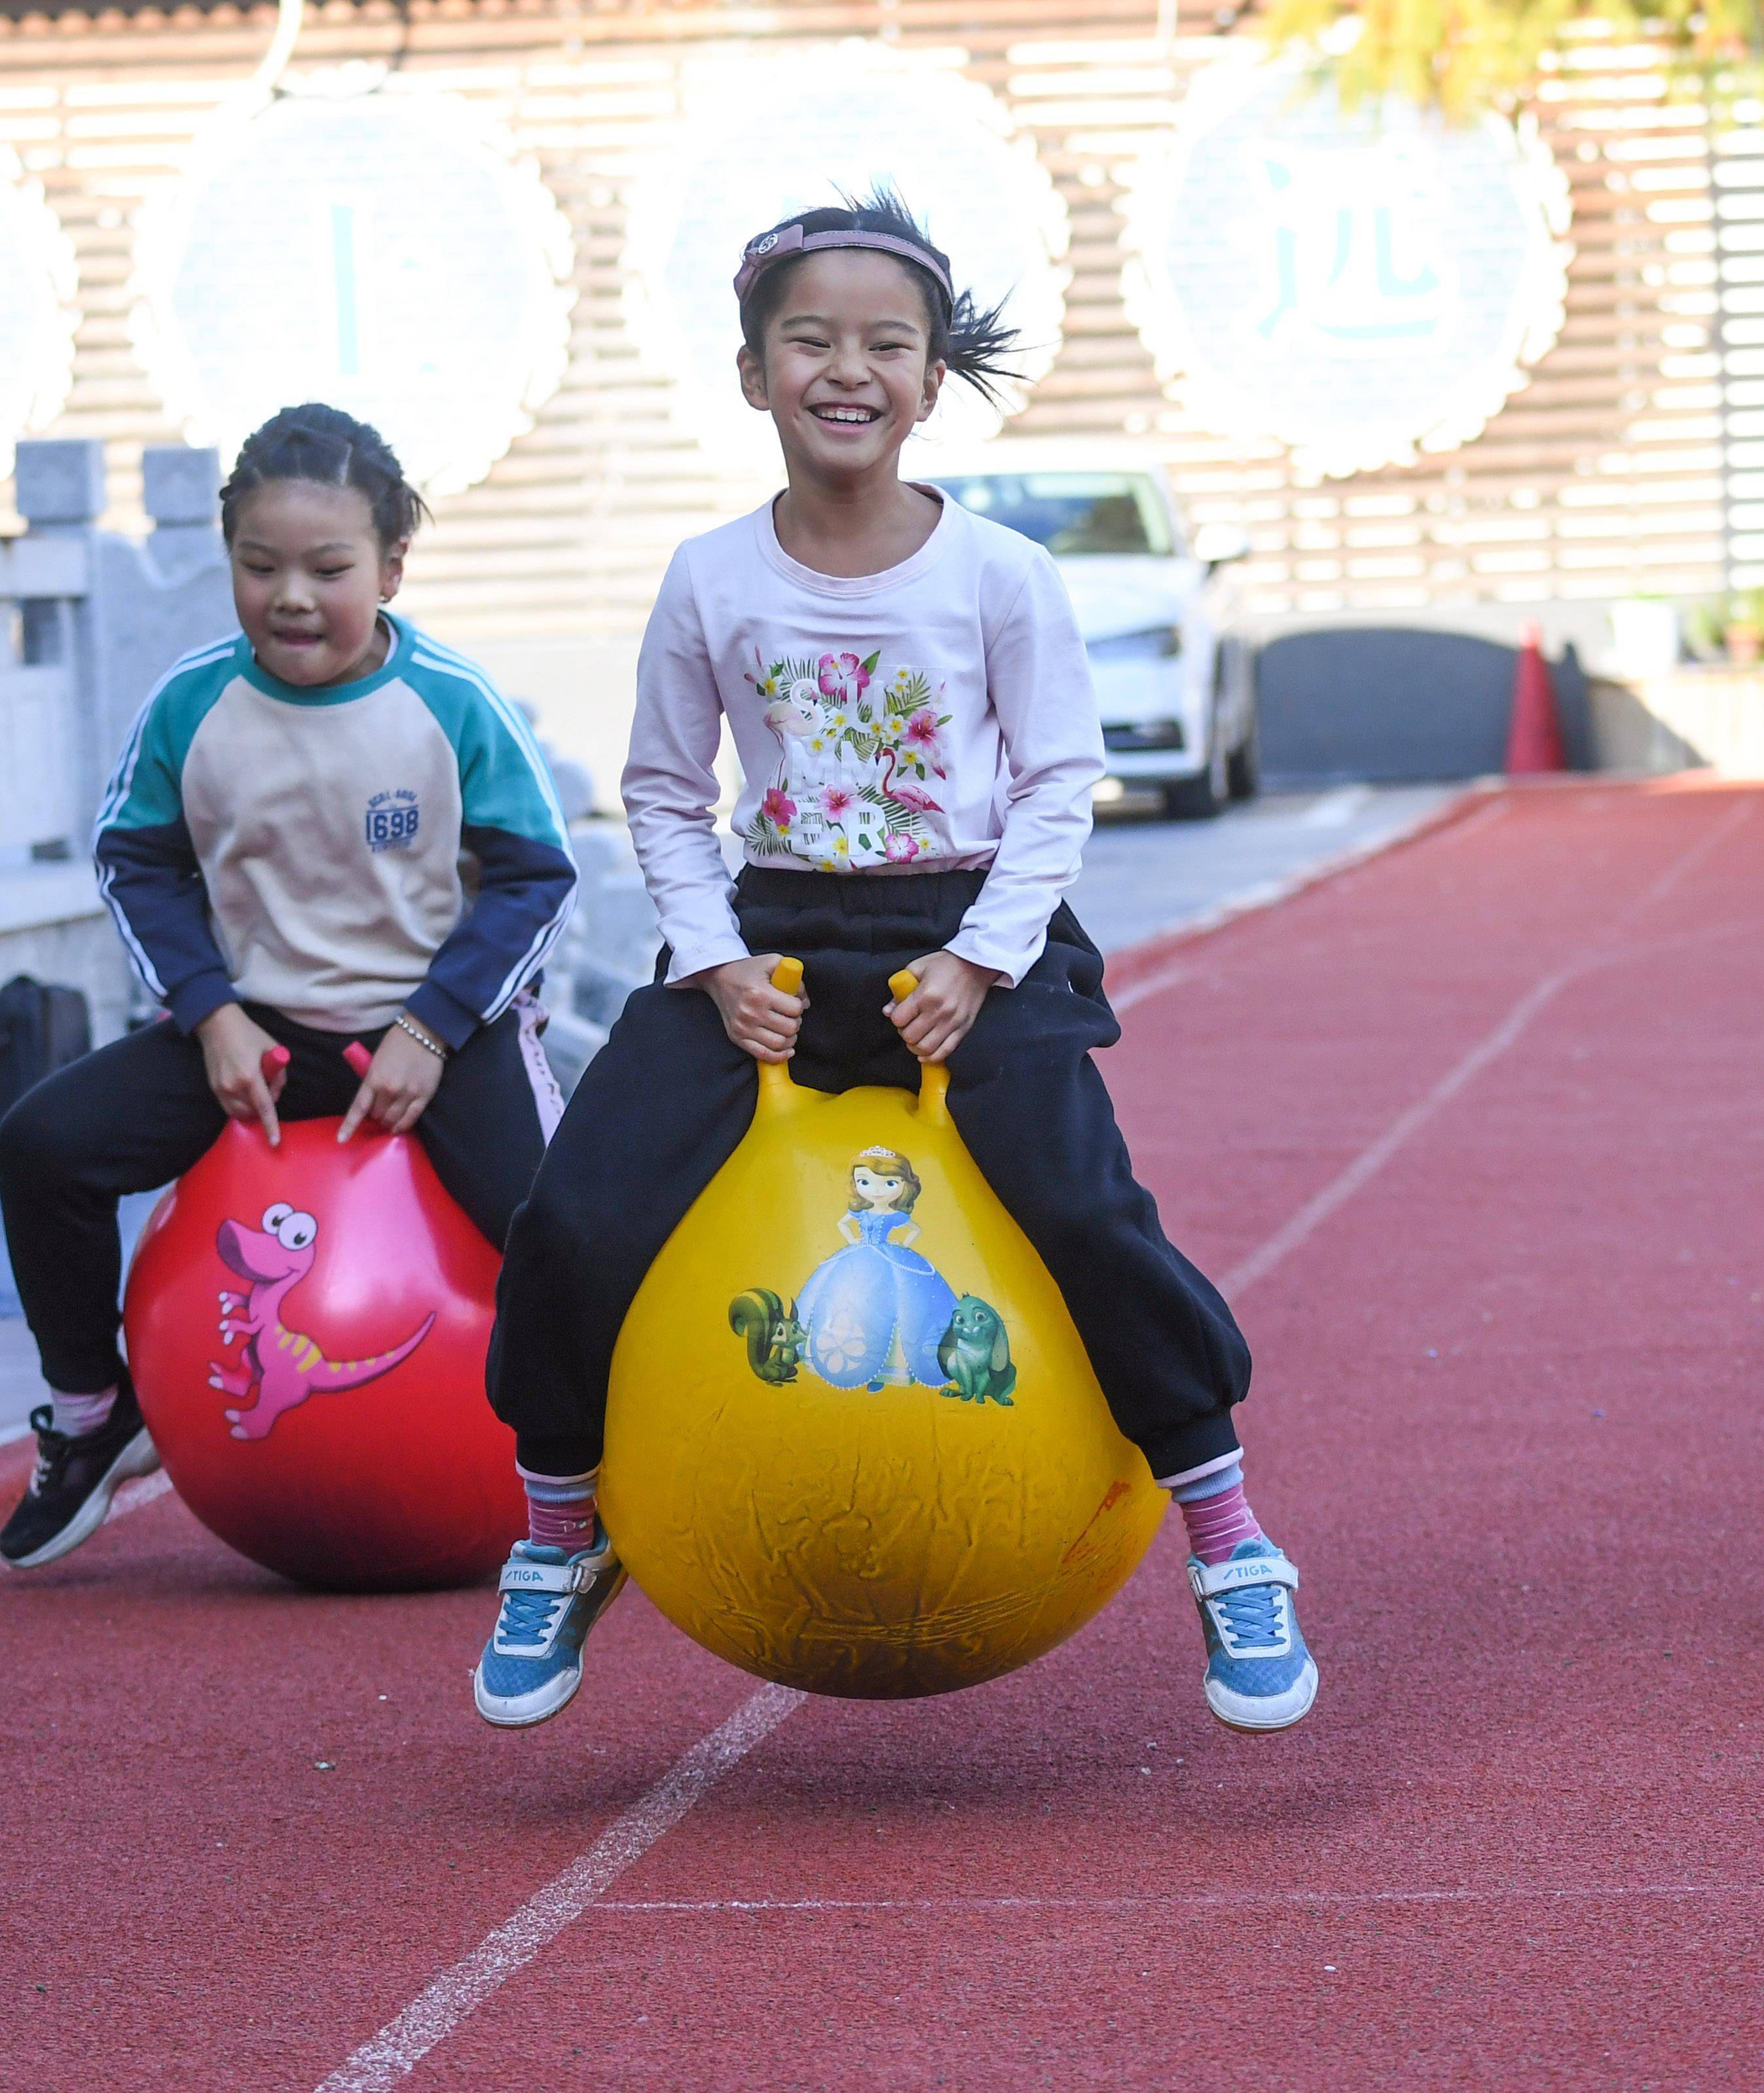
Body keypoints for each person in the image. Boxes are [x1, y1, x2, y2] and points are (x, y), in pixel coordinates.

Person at [469, 191, 1316, 1734]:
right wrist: (716, 961)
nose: (844, 368)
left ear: (930, 382)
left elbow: (1060, 779)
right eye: (809, 339)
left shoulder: (996, 573)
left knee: (1074, 1201)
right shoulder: (710, 576)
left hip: (970, 929)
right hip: (770, 937)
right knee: (576, 1208)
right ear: (752, 373)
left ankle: (1228, 1537)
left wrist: (985, 961)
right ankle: (554, 1532)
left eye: (884, 343)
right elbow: (664, 790)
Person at [0, 404, 576, 1568]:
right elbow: (133, 859)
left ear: (391, 568)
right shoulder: (191, 703)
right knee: (40, 1146)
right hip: (253, 1033)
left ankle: (593, 1465)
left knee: (563, 1229)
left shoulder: (452, 702)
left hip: (431, 1035)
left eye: (328, 567)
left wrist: (435, 1023)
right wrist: (208, 1010)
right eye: (260, 567)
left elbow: (533, 873)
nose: (292, 596)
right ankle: (94, 1414)